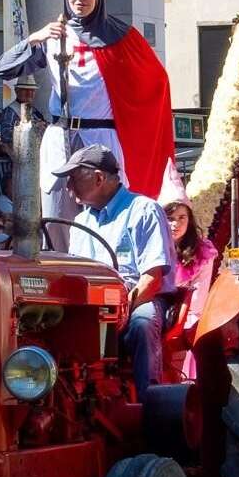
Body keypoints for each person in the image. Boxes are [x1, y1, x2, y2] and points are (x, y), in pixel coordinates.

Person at [0, 0, 179, 240]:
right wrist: (35, 38)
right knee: (57, 213)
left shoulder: (120, 37)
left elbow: (156, 81)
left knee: (105, 213)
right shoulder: (54, 36)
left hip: (101, 136)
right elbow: (4, 68)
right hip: (60, 134)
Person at [55, 145, 175, 398]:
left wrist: (122, 309)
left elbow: (152, 277)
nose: (68, 187)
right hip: (93, 304)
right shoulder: (80, 222)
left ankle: (149, 401)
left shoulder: (143, 209)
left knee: (142, 324)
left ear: (99, 178)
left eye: (74, 179)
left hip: (138, 297)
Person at [165, 200, 219, 356]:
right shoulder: (149, 247)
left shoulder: (202, 252)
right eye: (170, 218)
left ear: (189, 220)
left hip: (185, 313)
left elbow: (197, 300)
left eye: (182, 217)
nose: (176, 224)